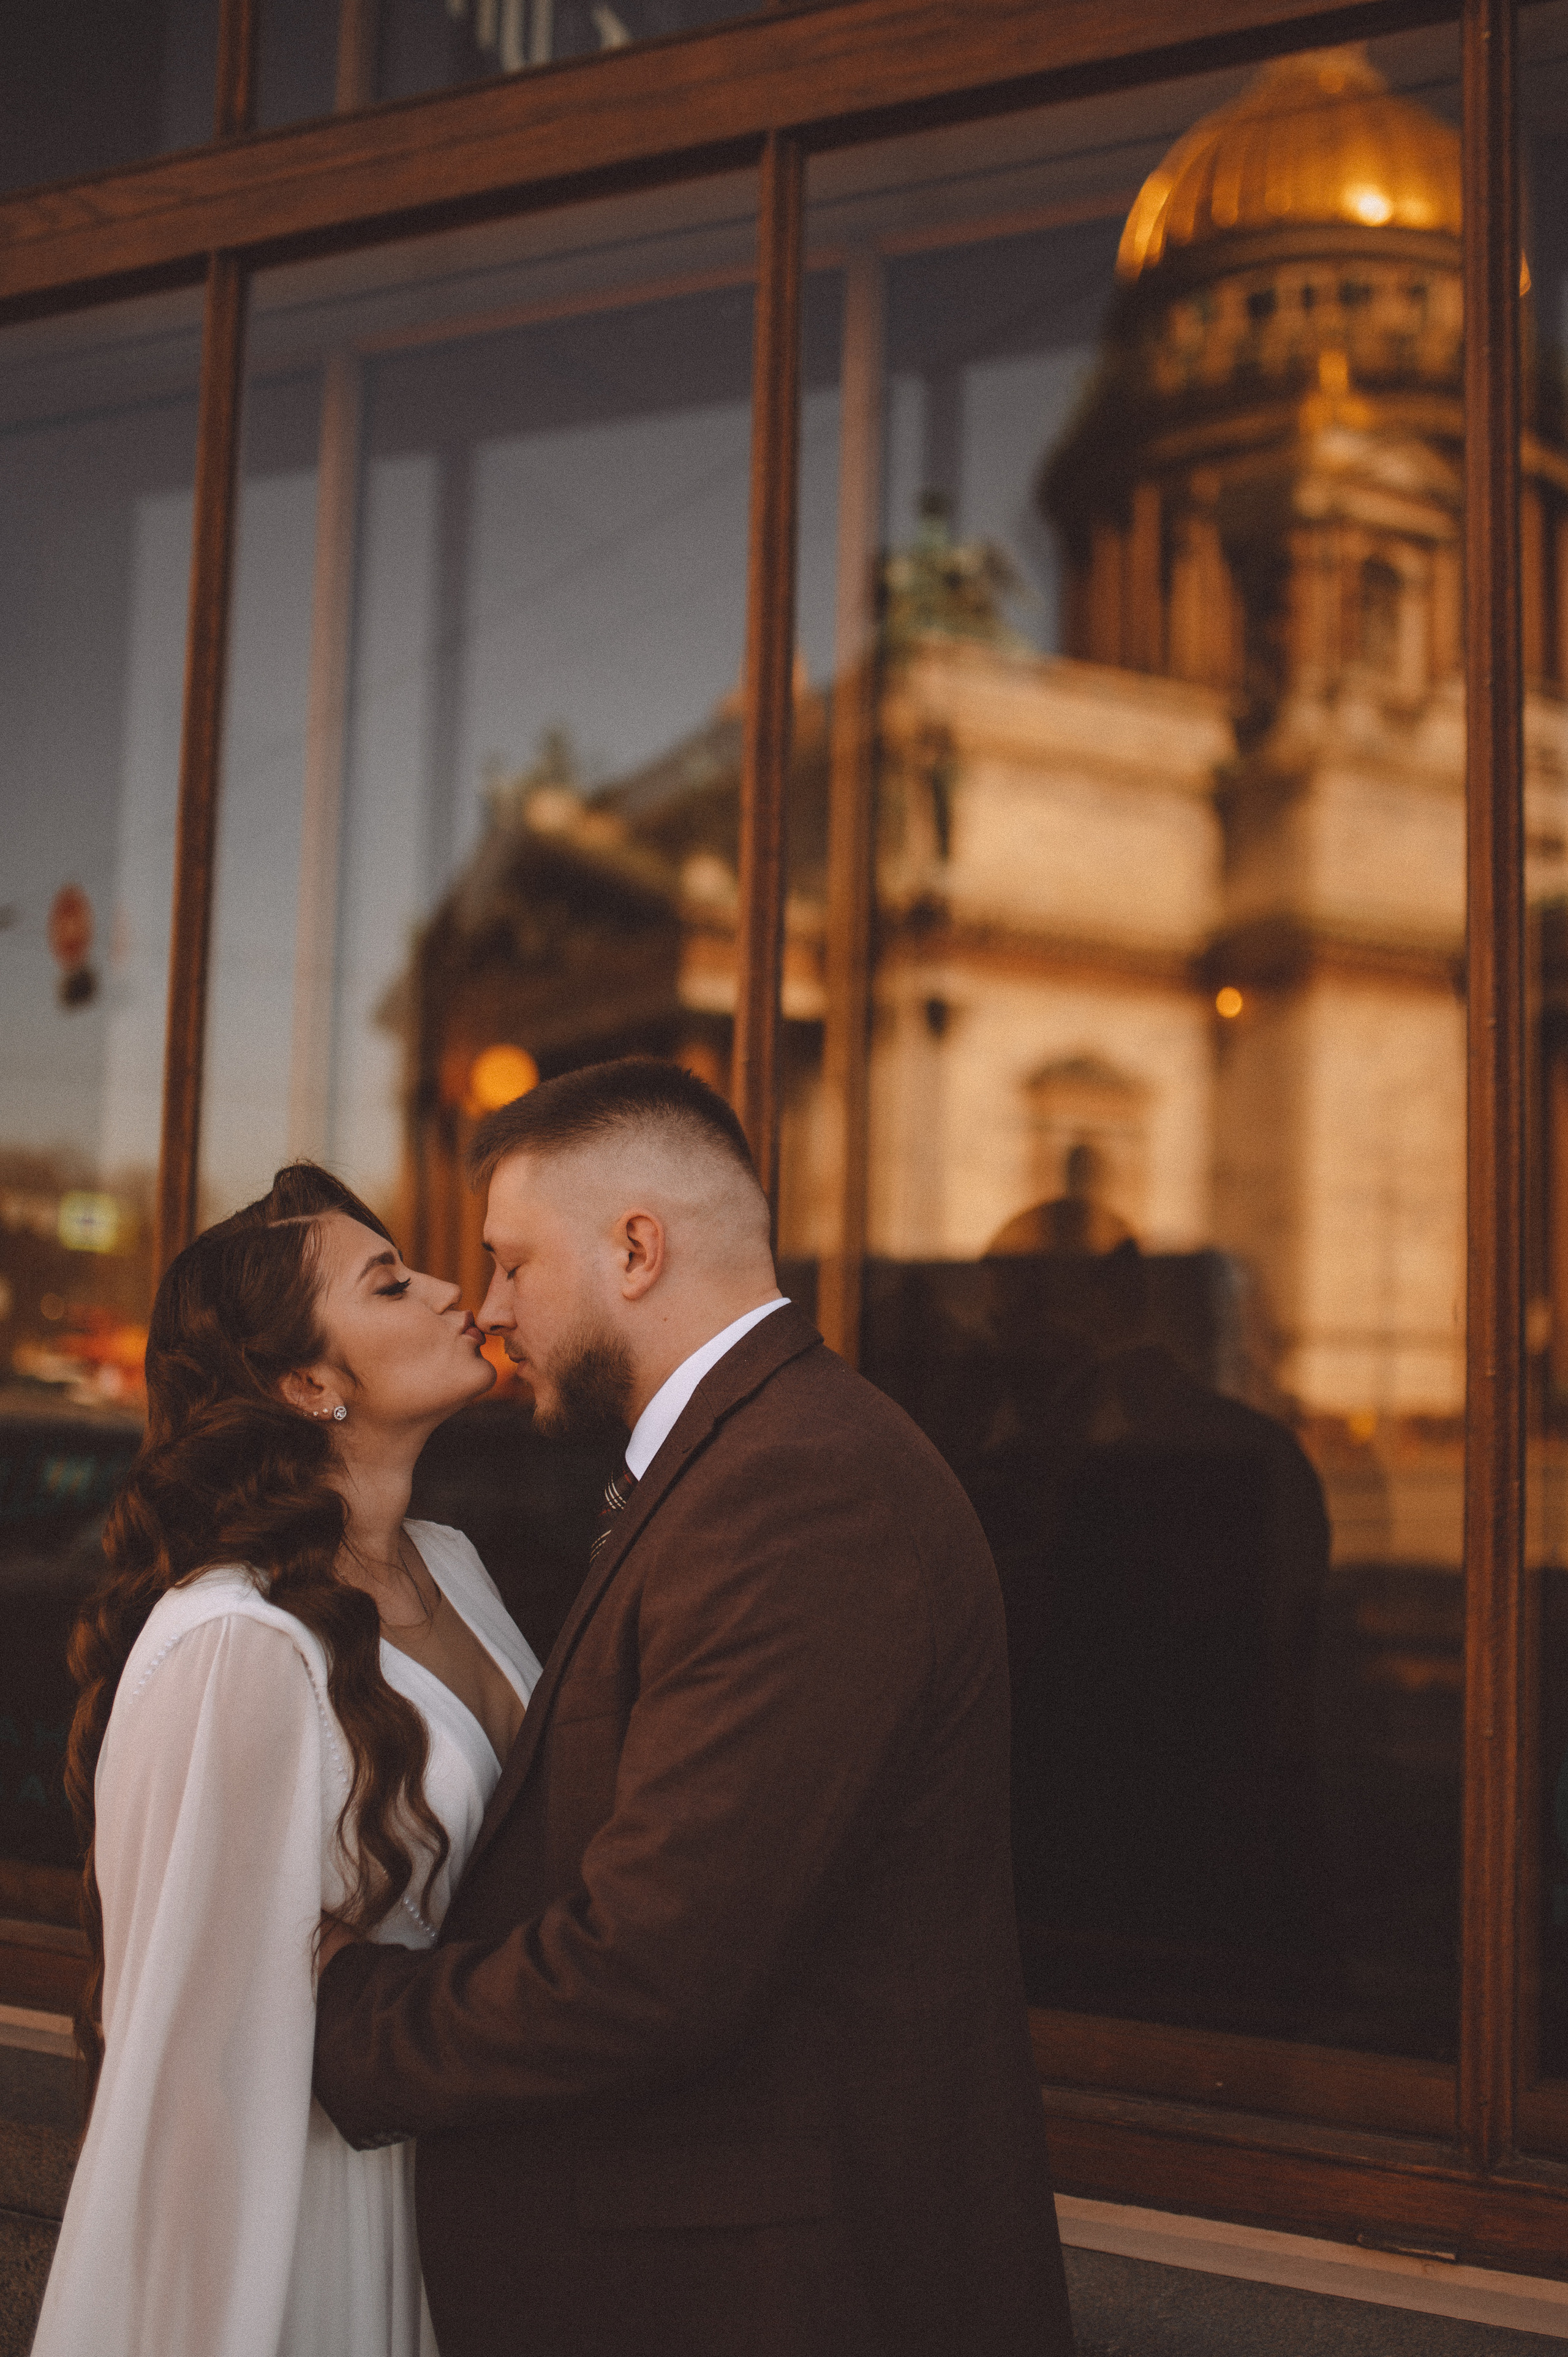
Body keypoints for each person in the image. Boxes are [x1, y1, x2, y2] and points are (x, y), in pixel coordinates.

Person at [312, 1057, 1074, 2357]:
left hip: (781, 2299)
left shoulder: (798, 1488)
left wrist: (348, 2010)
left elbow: (655, 1967)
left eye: (513, 1263)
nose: (490, 1310)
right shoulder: (753, 1455)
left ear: (636, 1249)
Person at [32, 1164, 541, 2357]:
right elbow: (187, 2065)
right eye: (390, 1283)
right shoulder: (237, 1642)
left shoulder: (454, 1563)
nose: (451, 1289)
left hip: (472, 2197)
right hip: (319, 2219)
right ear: (309, 1383)